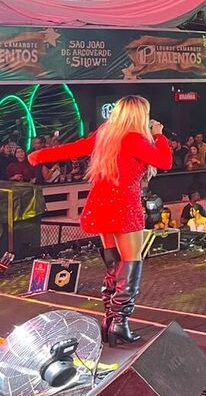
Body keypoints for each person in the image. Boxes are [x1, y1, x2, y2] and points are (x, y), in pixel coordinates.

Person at [28, 95, 172, 346]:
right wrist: (159, 135)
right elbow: (165, 161)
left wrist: (39, 155)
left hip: (101, 203)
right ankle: (119, 322)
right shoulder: (133, 139)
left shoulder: (106, 134)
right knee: (131, 261)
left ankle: (109, 319)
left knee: (113, 262)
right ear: (139, 115)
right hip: (124, 205)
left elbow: (73, 149)